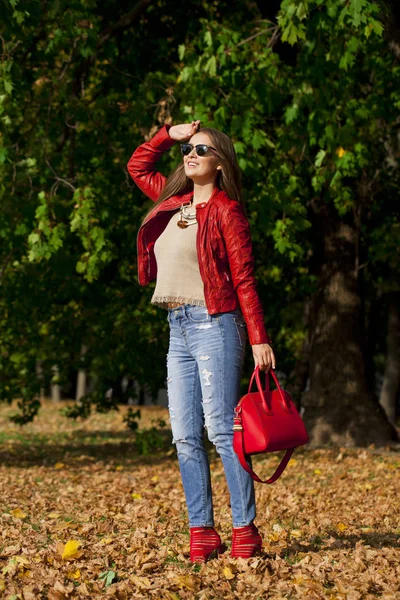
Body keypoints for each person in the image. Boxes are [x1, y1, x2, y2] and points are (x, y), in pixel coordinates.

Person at [127, 120, 276, 563]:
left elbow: (244, 278)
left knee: (221, 431)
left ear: (220, 163)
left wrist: (259, 339)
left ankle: (245, 529)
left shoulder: (227, 212)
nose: (190, 154)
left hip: (216, 324)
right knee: (185, 435)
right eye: (187, 149)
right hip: (178, 327)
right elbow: (137, 165)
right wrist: (167, 135)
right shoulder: (172, 202)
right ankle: (202, 531)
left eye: (201, 149)